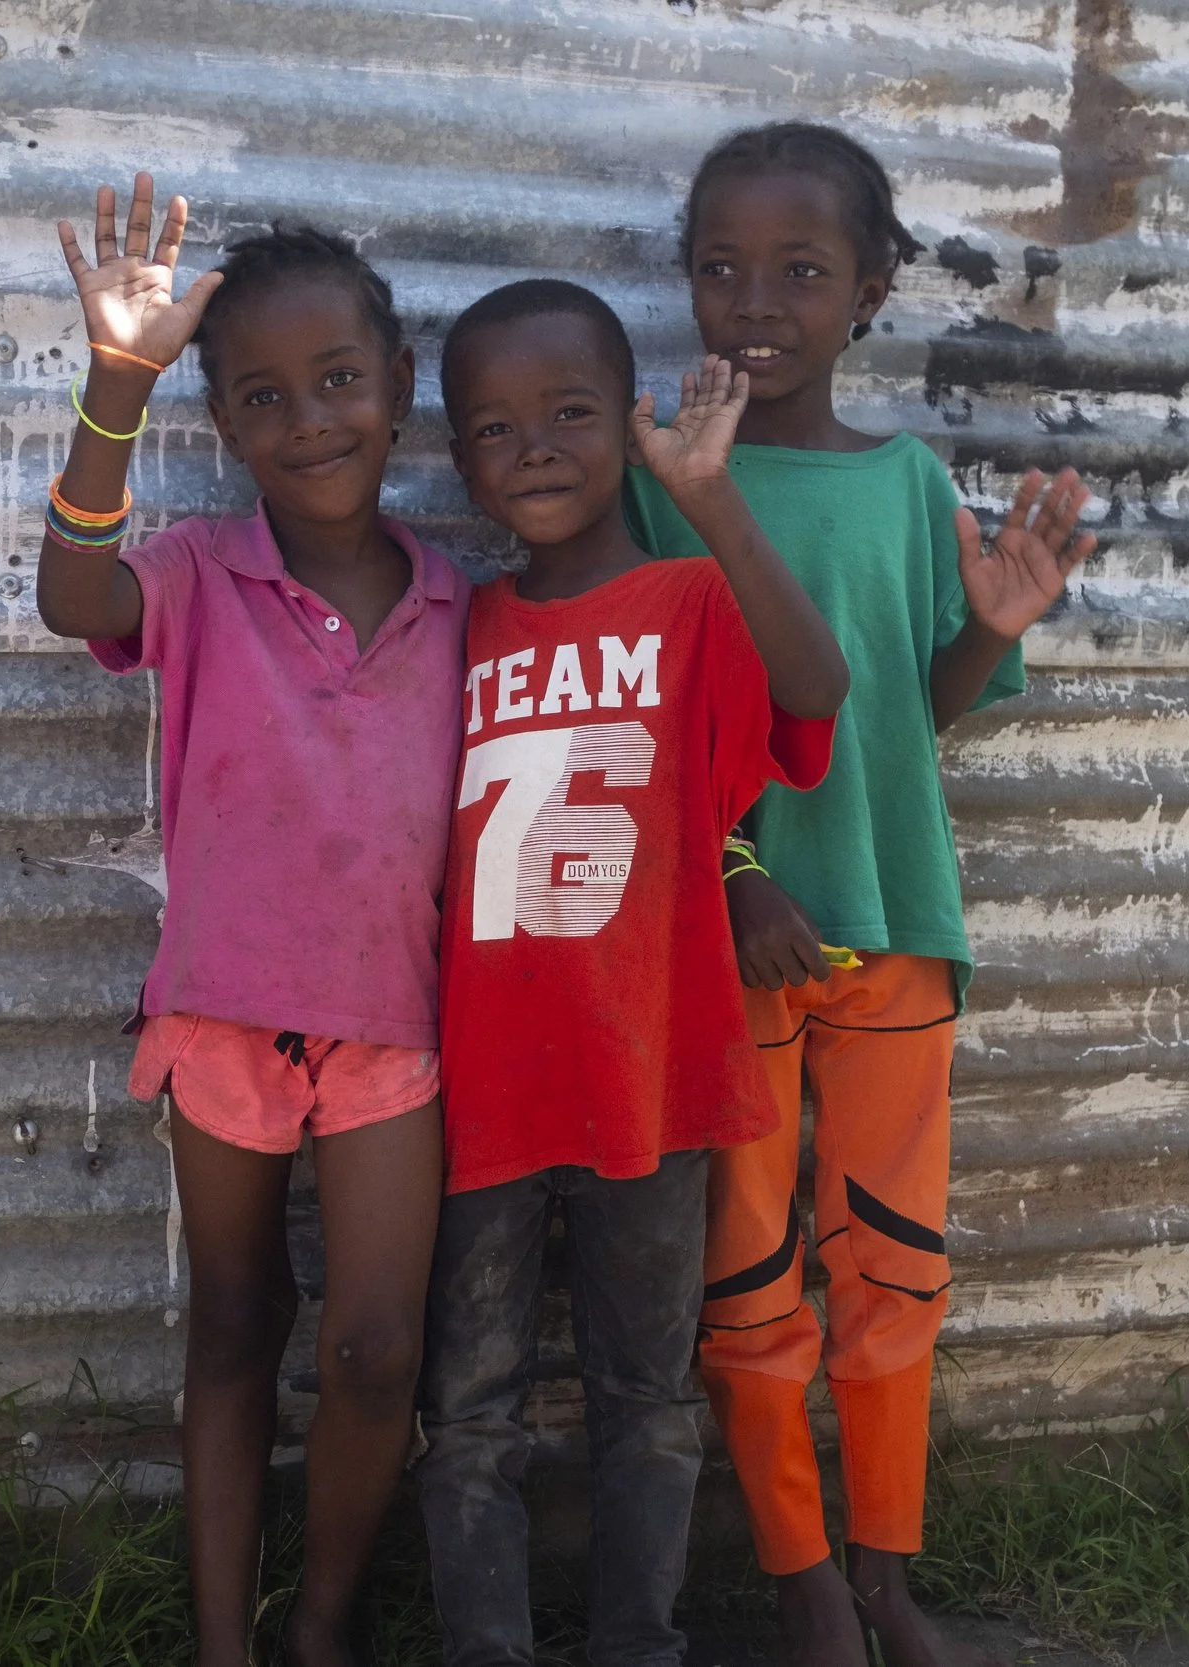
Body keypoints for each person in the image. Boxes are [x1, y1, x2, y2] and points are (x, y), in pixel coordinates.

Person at [622, 123, 1099, 1667]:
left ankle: (887, 1570)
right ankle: (801, 1581)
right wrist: (737, 874)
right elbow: (644, 728)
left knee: (892, 1266)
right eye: (720, 267)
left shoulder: (906, 486)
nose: (754, 300)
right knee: (751, 1283)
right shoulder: (659, 483)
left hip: (895, 922)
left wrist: (990, 628)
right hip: (732, 942)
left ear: (873, 289)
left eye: (801, 270)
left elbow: (909, 714)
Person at [35, 175, 469, 1667]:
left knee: (373, 1349)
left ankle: (321, 1624)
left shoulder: (463, 603)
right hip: (220, 1014)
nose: (313, 419)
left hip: (392, 1033)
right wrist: (118, 379)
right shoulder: (202, 575)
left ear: (400, 391)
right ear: (222, 427)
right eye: (267, 395)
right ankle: (224, 1642)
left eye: (342, 380)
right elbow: (68, 592)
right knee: (233, 1321)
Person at [416, 277, 849, 1667]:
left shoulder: (683, 600)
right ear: (456, 458)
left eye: (568, 413)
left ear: (627, 422)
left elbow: (815, 688)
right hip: (475, 1081)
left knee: (647, 1391)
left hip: (648, 1075)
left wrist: (711, 497)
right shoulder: (452, 626)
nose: (531, 446)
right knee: (469, 1402)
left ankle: (636, 1644)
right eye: (490, 427)